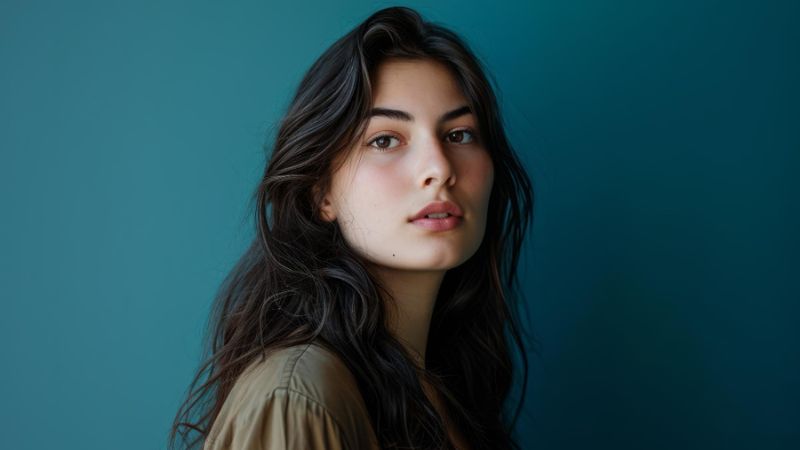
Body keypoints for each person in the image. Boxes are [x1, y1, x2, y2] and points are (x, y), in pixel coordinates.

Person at [169, 6, 534, 450]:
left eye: (459, 134)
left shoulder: (446, 389)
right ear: (321, 193)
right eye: (385, 140)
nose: (438, 168)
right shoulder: (299, 396)